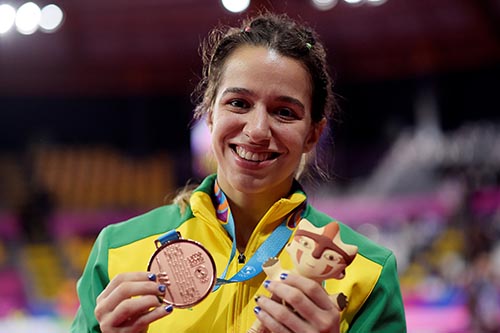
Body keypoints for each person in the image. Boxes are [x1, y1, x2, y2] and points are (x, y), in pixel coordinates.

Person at [71, 12, 407, 333]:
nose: (258, 130)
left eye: (284, 112)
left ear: (312, 134)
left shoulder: (368, 272)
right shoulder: (118, 250)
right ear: (210, 114)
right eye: (239, 103)